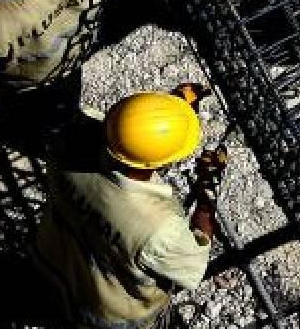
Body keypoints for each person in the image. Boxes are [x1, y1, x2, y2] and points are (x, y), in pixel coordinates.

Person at [35, 88, 220, 329]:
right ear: (160, 162)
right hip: (107, 313)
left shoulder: (71, 138)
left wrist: (167, 113)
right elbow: (196, 256)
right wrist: (209, 187)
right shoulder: (160, 230)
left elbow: (127, 131)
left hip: (50, 260)